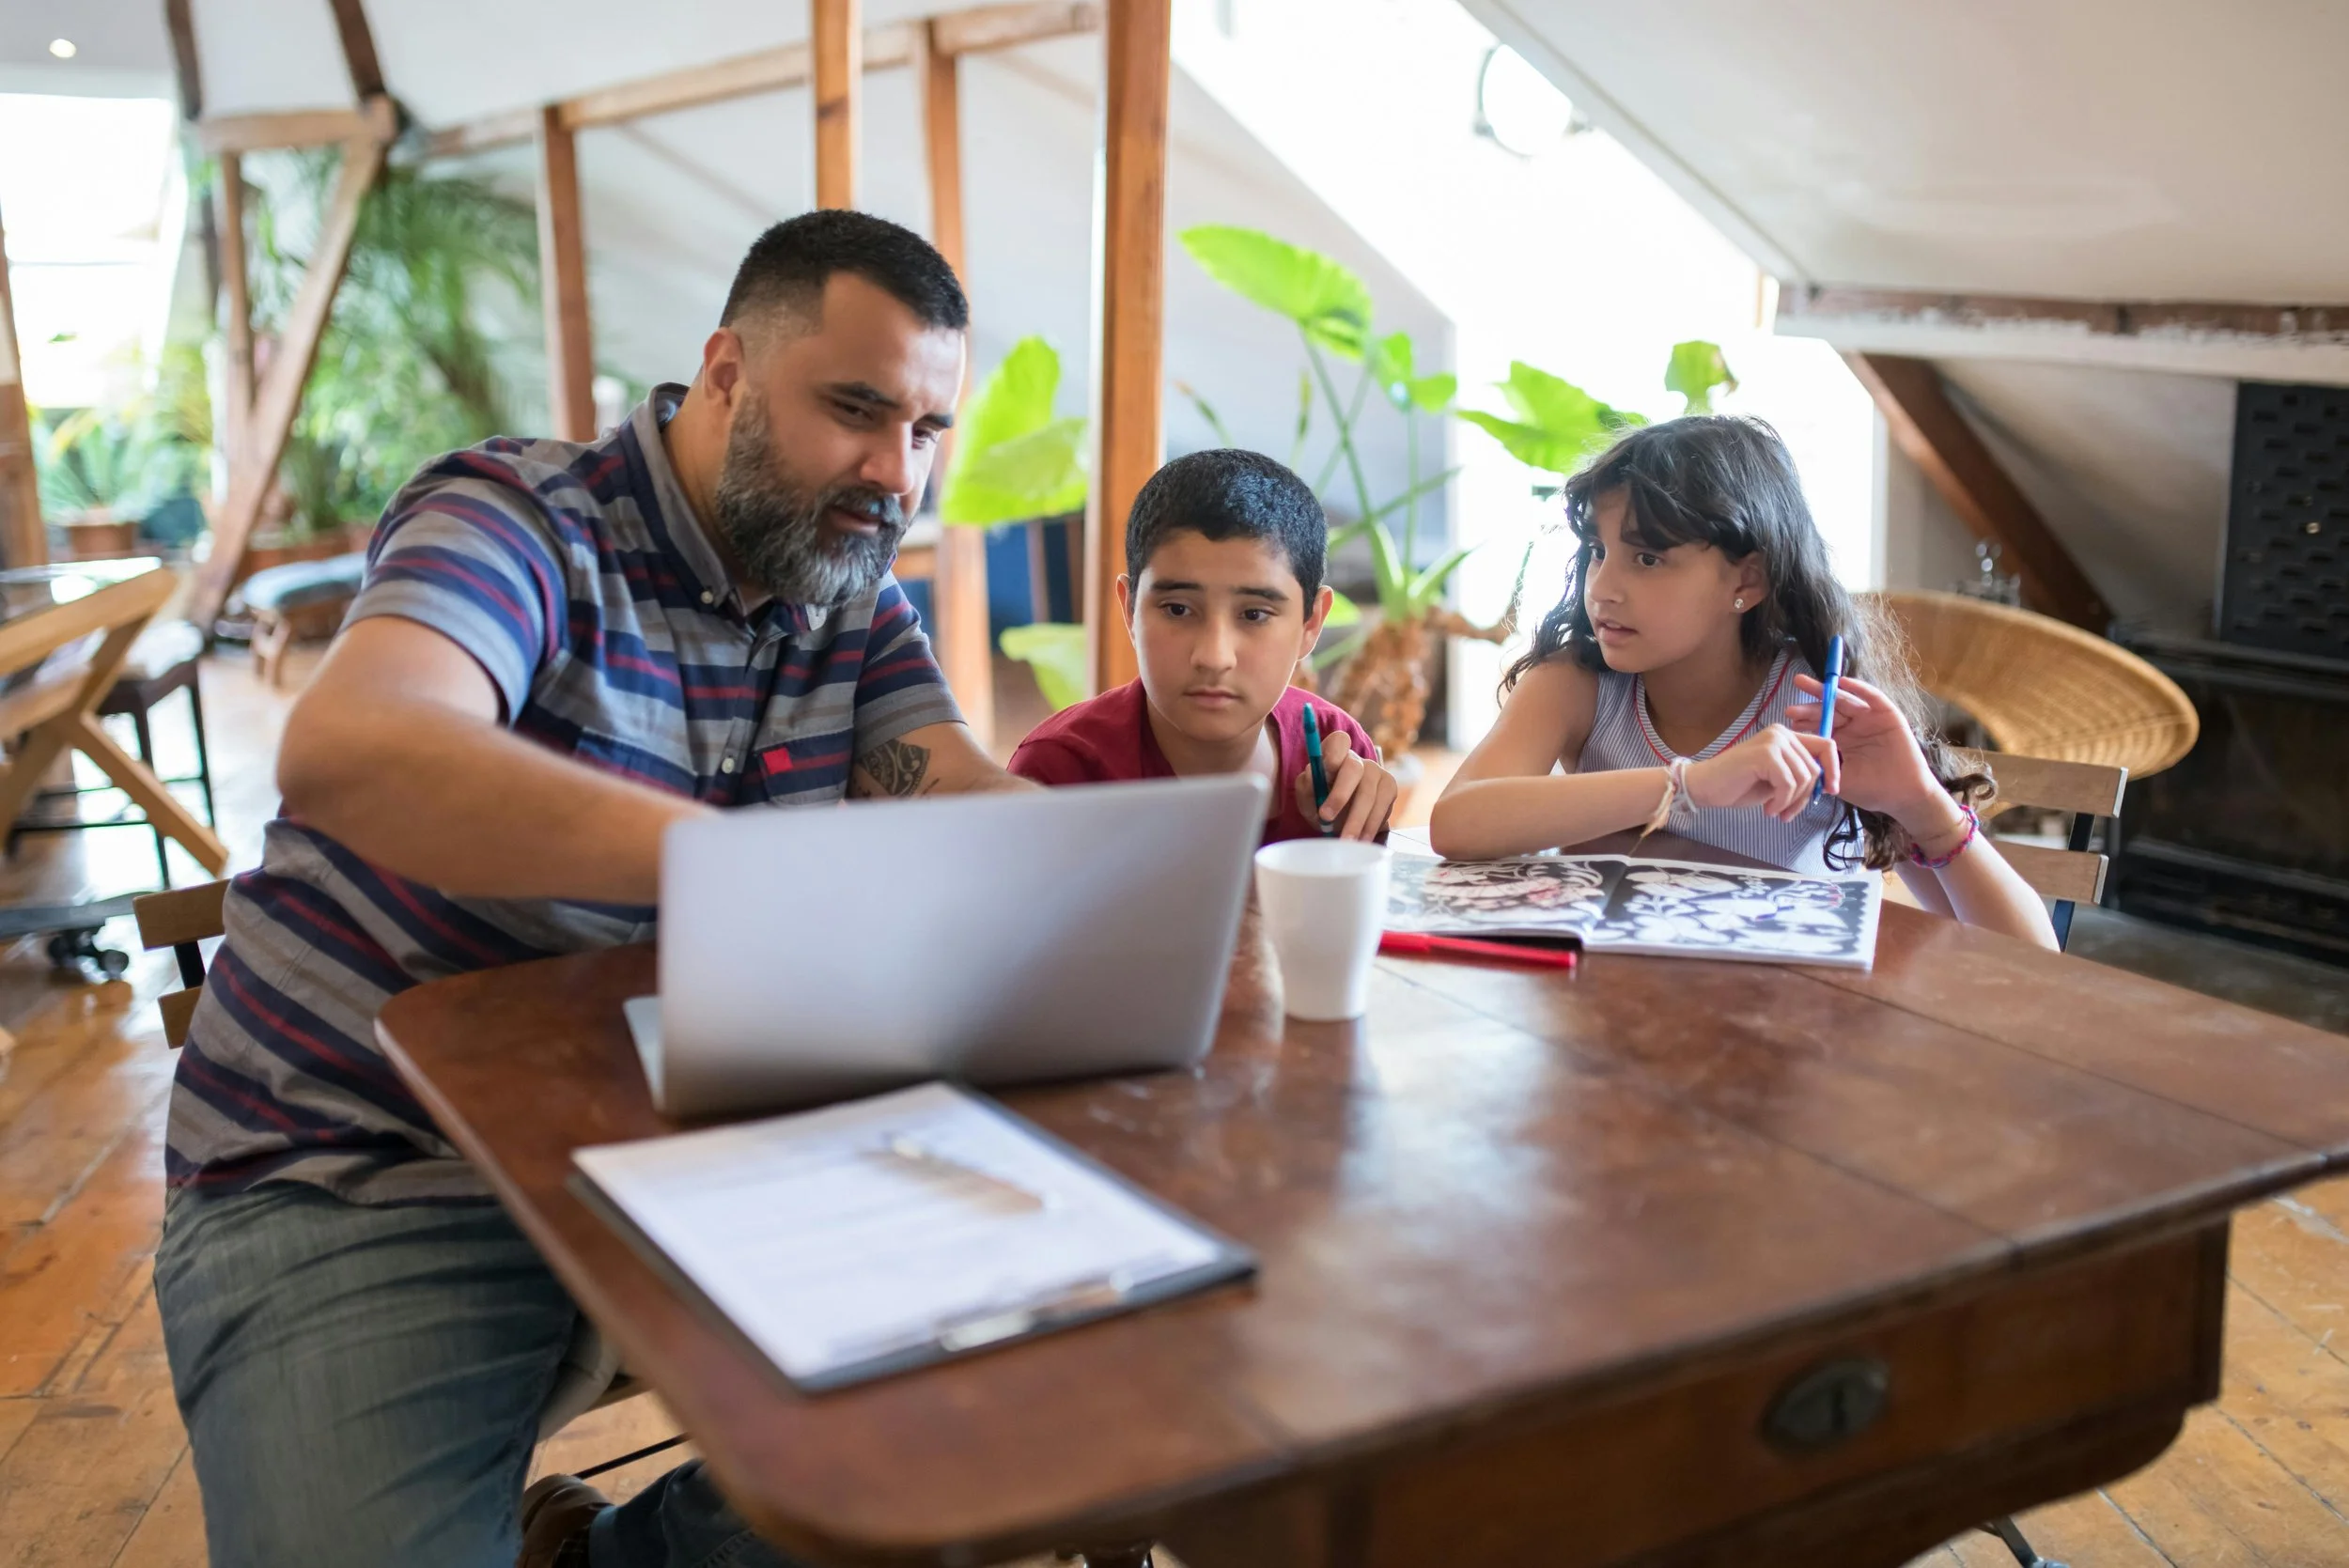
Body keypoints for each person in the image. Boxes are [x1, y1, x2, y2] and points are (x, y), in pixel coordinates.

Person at [155, 210, 1032, 1568]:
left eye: (926, 431)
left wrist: (1085, 859)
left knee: (1008, 1398)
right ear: (728, 371)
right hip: (365, 1166)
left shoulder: (849, 589)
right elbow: (354, 748)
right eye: (855, 409)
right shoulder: (517, 516)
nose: (890, 471)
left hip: (700, 1149)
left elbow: (953, 785)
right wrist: (723, 858)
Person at [1429, 416, 2056, 949]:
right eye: (1598, 550)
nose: (1604, 586)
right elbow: (1455, 824)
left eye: (1647, 559)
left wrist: (1919, 801)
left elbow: (2030, 957)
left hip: (1778, 1033)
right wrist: (1691, 784)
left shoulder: (1819, 708)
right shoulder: (1578, 683)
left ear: (1746, 582)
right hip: (1607, 1014)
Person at [1009, 448, 1398, 841]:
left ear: (1310, 622)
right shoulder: (1061, 774)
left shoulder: (1336, 757)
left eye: (1254, 615)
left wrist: (1344, 841)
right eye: (1178, 609)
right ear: (1129, 609)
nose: (1214, 657)